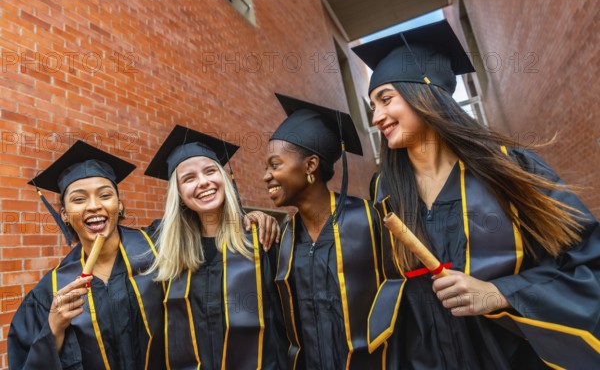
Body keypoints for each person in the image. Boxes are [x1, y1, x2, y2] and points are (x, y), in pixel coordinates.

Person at [351, 19, 600, 368]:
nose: (376, 117)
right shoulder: (385, 190)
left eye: (385, 99)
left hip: (510, 356)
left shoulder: (510, 168)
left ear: (424, 93)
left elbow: (588, 264)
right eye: (372, 107)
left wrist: (500, 292)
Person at [8, 140, 165, 369]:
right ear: (64, 214)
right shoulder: (51, 291)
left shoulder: (160, 252)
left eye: (104, 195)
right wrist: (53, 330)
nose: (93, 206)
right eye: (79, 199)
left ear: (119, 205)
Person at [143, 125, 286, 369]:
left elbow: (285, 323)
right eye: (188, 178)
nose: (203, 182)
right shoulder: (167, 252)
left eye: (210, 171)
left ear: (224, 177)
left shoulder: (260, 240)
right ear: (178, 193)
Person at [263, 94, 386, 369]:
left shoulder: (370, 220)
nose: (266, 176)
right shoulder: (283, 240)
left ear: (310, 165)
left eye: (275, 164)